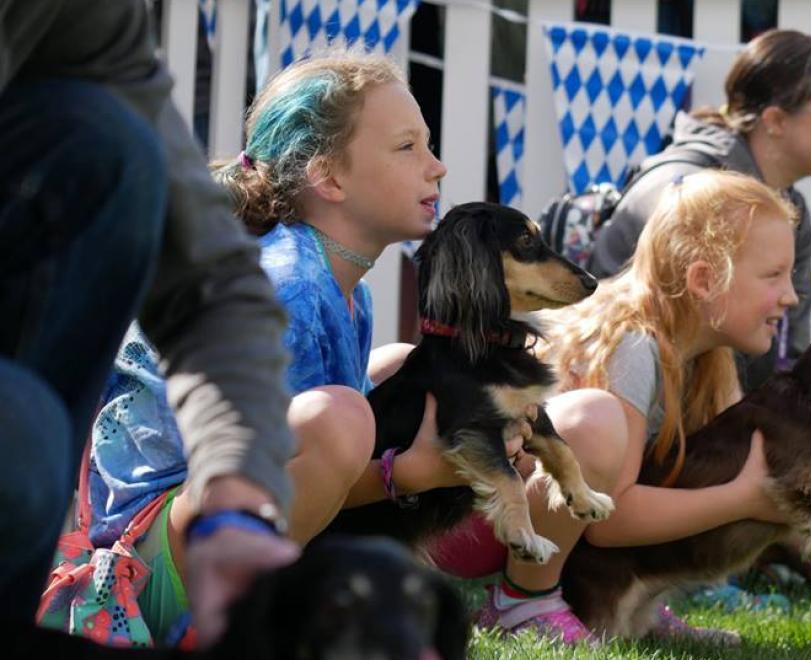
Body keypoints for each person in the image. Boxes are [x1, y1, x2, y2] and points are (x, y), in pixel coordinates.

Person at [80, 50, 517, 646]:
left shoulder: (340, 289)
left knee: (394, 368)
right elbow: (299, 455)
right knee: (339, 417)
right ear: (329, 178)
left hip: (193, 523)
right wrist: (410, 474)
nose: (436, 168)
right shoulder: (289, 283)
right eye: (407, 147)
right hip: (139, 559)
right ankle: (234, 633)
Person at [0, 0, 300, 655]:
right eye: (408, 146)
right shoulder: (298, 273)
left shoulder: (80, 20)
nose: (439, 168)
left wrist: (236, 501)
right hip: (116, 515)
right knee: (20, 440)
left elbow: (212, 284)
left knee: (109, 144)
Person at [453, 170, 811, 644]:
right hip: (474, 518)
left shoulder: (709, 360)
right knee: (596, 422)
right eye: (773, 276)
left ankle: (640, 605)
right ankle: (523, 602)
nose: (791, 296)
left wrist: (799, 512)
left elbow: (687, 485)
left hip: (530, 518)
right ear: (705, 280)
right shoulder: (635, 345)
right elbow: (614, 520)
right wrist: (746, 498)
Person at [588, 29, 811, 392]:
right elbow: (636, 352)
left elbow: (788, 362)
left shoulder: (790, 209)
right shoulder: (686, 192)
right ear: (776, 120)